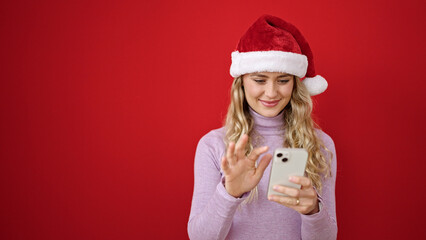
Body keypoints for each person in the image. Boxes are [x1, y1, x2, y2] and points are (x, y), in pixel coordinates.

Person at [187, 14, 337, 240]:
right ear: (242, 82)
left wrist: (312, 210)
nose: (271, 92)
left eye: (283, 80)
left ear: (295, 83)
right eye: (259, 80)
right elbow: (200, 237)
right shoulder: (213, 145)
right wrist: (229, 193)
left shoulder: (320, 145)